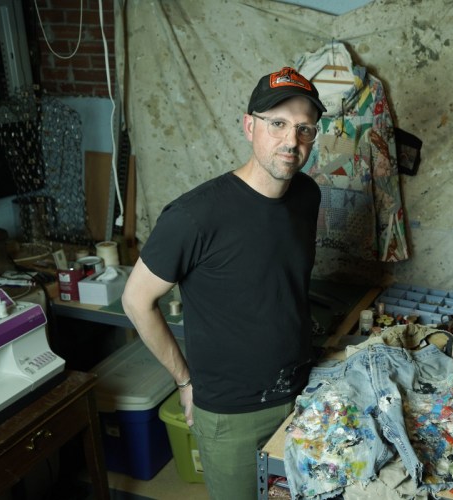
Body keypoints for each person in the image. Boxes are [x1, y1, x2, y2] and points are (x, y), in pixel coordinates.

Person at [121, 67, 326, 499]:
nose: (291, 141)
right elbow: (136, 300)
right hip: (231, 412)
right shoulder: (194, 216)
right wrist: (184, 380)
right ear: (249, 125)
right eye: (278, 124)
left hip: (302, 392)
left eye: (304, 129)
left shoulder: (307, 195)